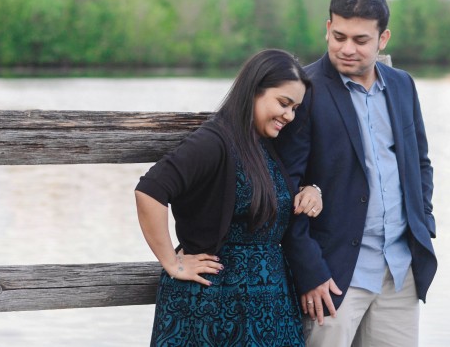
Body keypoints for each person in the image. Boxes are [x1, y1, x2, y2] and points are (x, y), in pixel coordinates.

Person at [276, 0, 437, 347]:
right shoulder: (305, 90)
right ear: (327, 28)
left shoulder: (402, 85)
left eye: (361, 40)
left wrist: (423, 220)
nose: (347, 48)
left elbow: (420, 163)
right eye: (339, 36)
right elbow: (285, 186)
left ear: (383, 38)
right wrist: (310, 272)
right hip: (333, 274)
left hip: (400, 270)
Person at [135, 48, 324, 346]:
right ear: (254, 90)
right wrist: (172, 262)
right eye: (284, 103)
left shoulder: (261, 143)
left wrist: (309, 190)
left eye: (295, 108)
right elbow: (150, 191)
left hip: (268, 303)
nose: (289, 115)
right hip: (216, 304)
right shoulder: (215, 141)